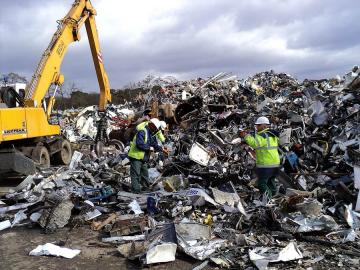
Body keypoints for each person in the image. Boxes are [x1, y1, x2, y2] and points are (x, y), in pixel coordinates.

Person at [239, 116, 280, 199]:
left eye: (258, 125)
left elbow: (255, 144)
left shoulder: (263, 135)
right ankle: (274, 198)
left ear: (264, 126)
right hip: (275, 163)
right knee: (270, 182)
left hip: (266, 164)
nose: (256, 127)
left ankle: (268, 199)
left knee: (261, 184)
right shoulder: (272, 134)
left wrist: (246, 136)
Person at [128, 118, 168, 193]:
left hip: (143, 157)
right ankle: (136, 191)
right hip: (136, 156)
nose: (156, 130)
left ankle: (145, 188)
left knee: (144, 174)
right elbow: (139, 144)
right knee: (136, 174)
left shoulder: (150, 133)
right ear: (151, 125)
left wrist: (162, 149)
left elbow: (154, 144)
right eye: (155, 128)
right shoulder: (142, 131)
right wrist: (149, 148)